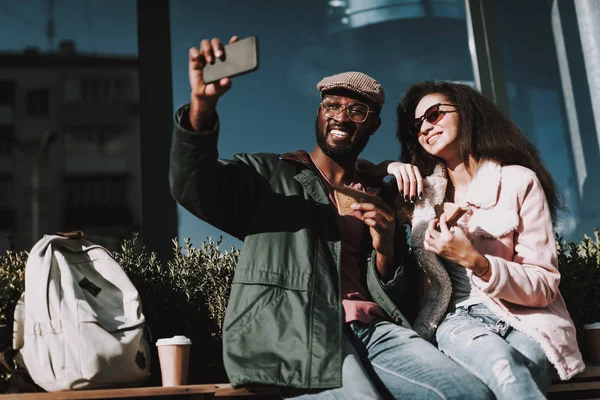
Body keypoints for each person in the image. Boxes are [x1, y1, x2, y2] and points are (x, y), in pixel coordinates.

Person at [169, 36, 494, 399]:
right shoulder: (268, 177)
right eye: (332, 105)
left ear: (373, 126)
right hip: (303, 331)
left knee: (469, 394)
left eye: (358, 111)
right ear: (319, 114)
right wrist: (201, 107)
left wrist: (386, 247)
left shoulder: (380, 196)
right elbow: (192, 186)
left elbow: (399, 298)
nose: (342, 116)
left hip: (376, 330)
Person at [381, 80, 585, 399]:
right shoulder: (420, 199)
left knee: (520, 369)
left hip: (525, 317)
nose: (425, 127)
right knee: (505, 367)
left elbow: (545, 286)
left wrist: (477, 262)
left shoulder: (518, 182)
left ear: (467, 113)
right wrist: (390, 166)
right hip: (456, 319)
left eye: (434, 114)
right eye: (416, 125)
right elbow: (350, 177)